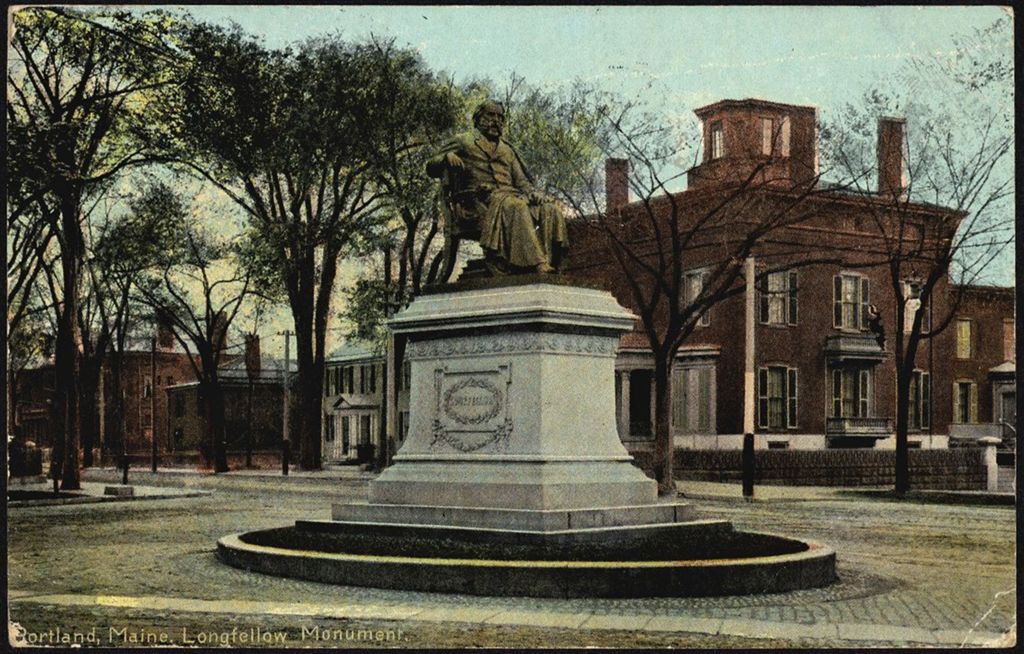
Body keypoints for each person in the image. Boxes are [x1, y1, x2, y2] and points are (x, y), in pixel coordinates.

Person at [426, 100, 567, 274]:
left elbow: (522, 182)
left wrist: (533, 193)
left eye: (500, 117)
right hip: (477, 202)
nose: (496, 120)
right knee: (516, 206)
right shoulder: (463, 141)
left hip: (510, 197)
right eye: (491, 115)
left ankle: (550, 261)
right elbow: (431, 167)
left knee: (549, 209)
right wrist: (446, 156)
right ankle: (537, 264)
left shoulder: (507, 150)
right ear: (478, 119)